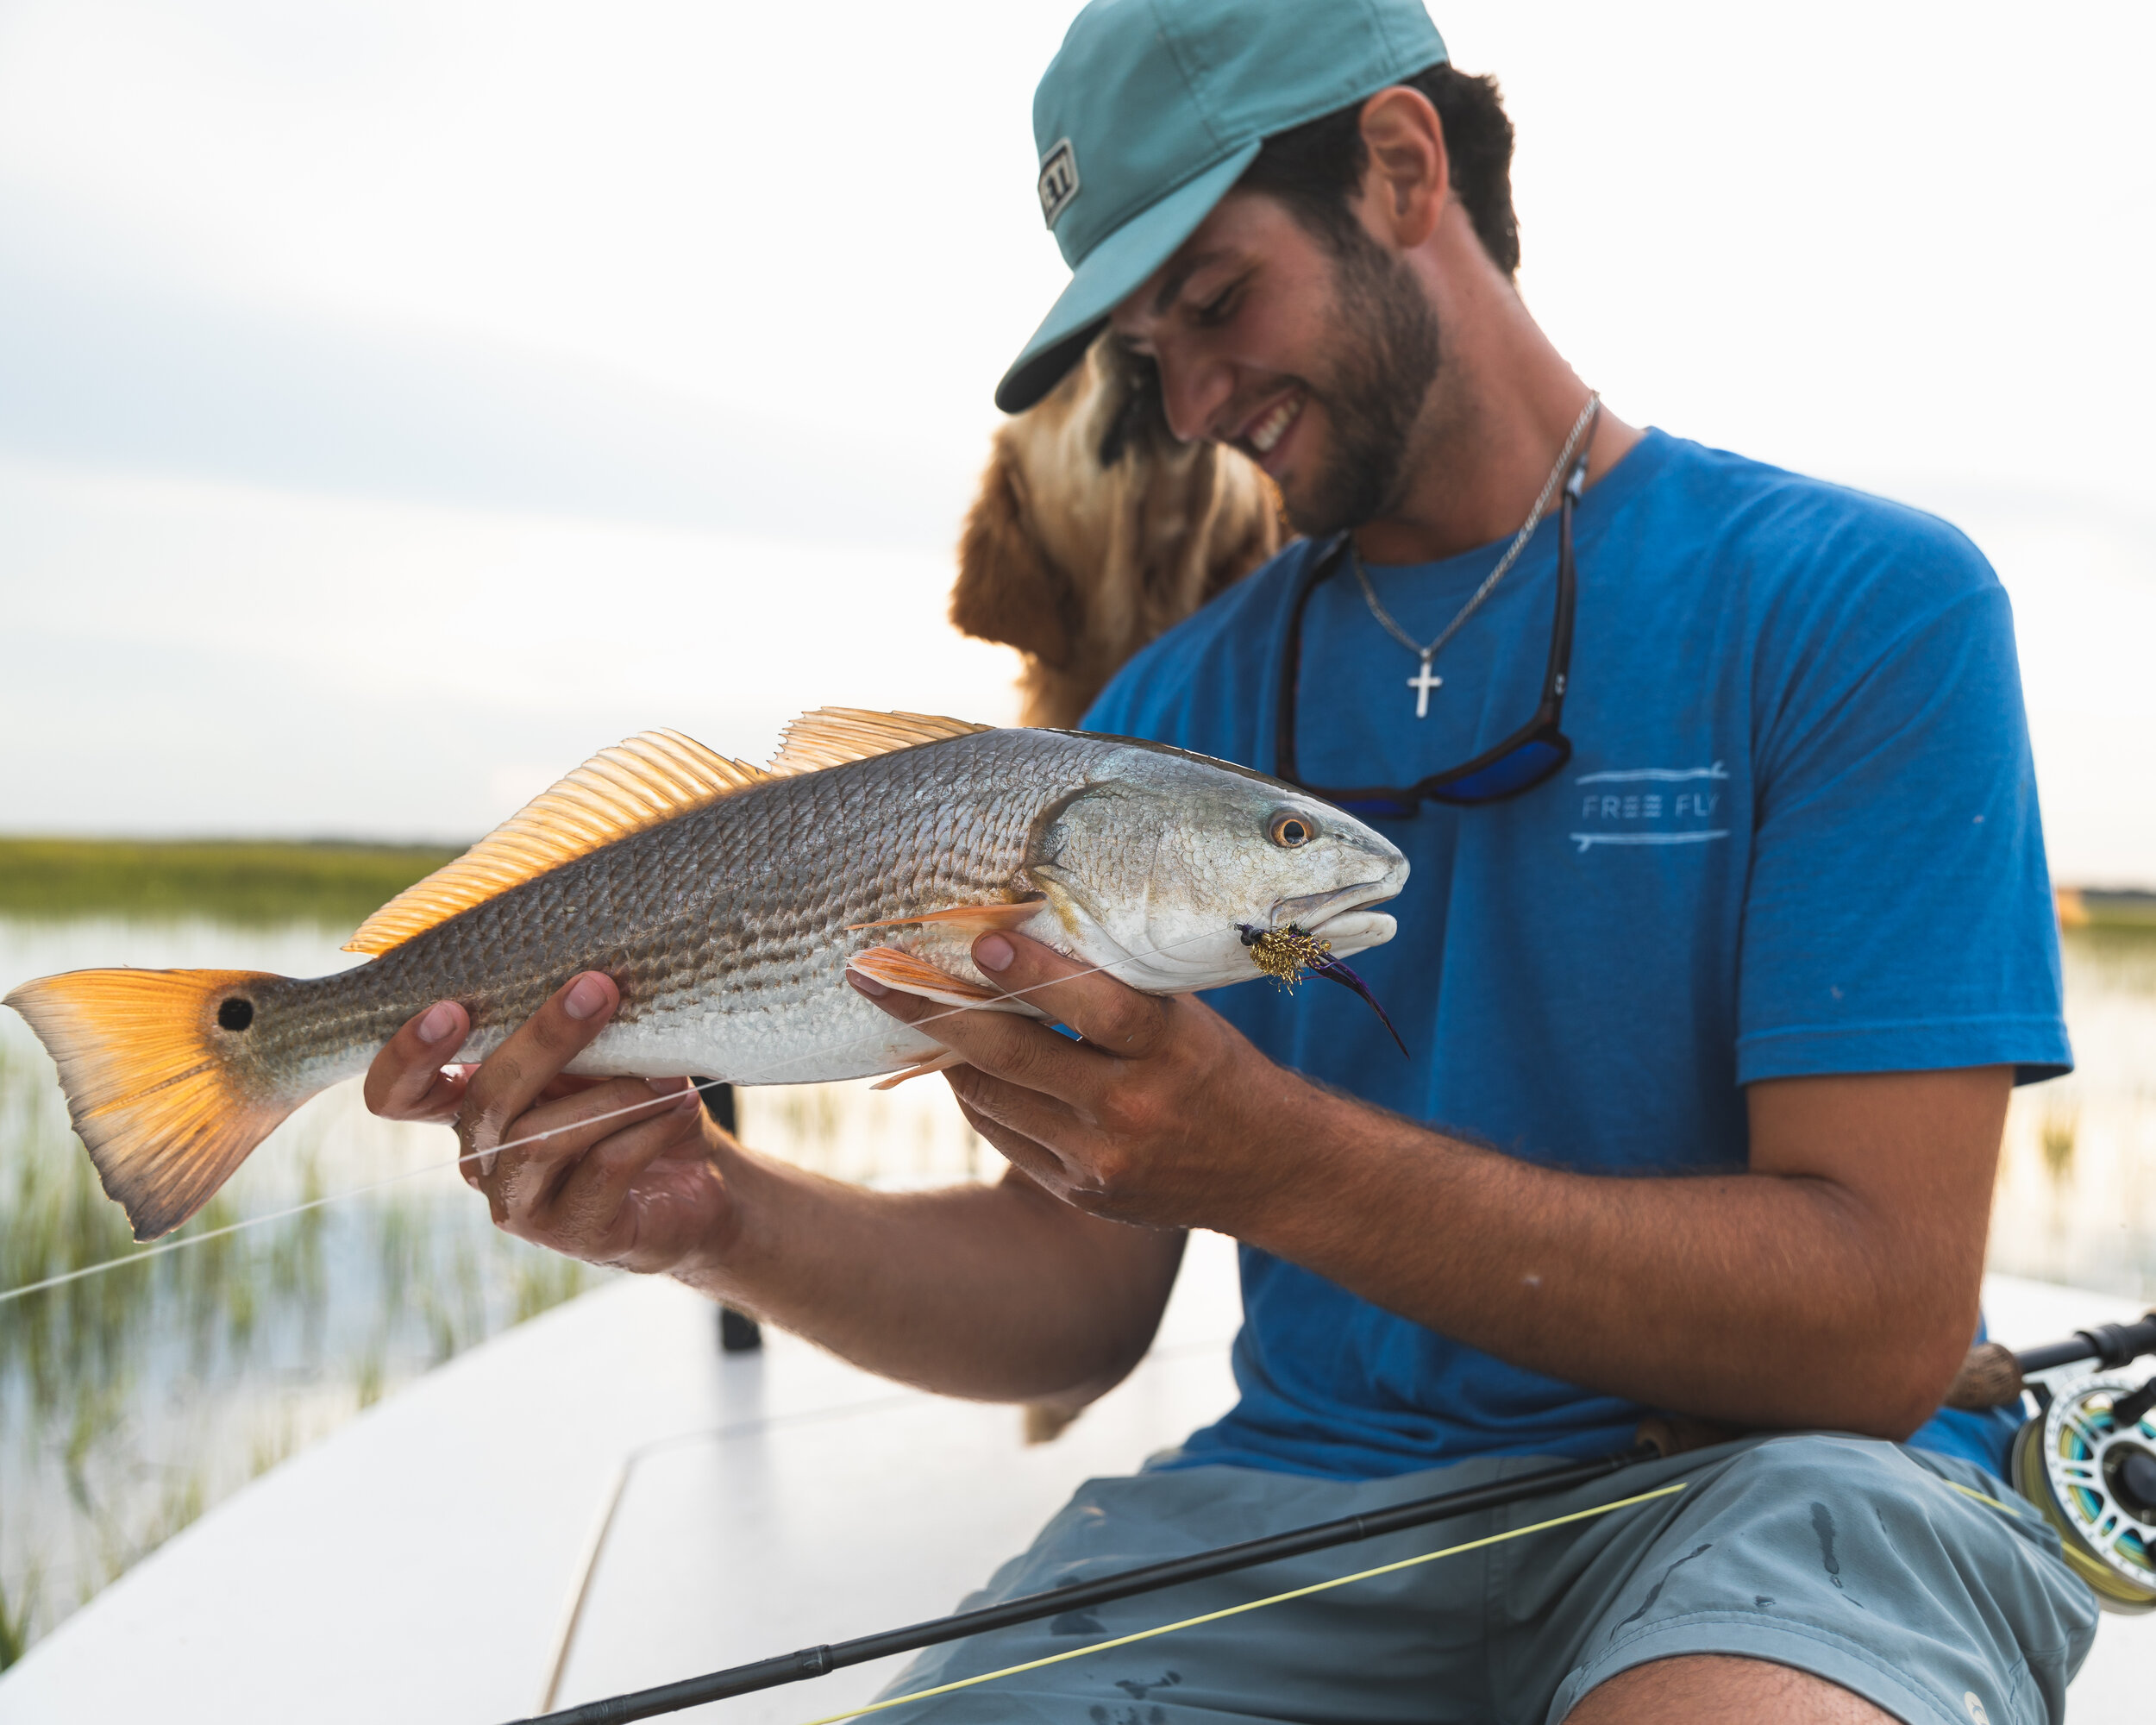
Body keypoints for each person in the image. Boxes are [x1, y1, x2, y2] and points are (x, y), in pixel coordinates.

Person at [364, 3, 2100, 1718]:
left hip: (1781, 1492)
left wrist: (1277, 1165)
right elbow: (1071, 1304)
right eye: (1145, 352)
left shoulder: (1855, 606)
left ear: (1400, 167)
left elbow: (1875, 1324)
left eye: (1212, 302)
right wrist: (716, 1218)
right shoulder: (1163, 711)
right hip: (1286, 1513)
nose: (1188, 403)